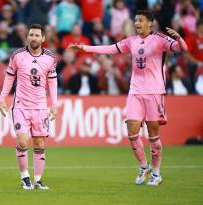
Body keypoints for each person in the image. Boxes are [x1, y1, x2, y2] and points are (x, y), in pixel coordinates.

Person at [68, 10, 188, 186]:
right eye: (135, 20)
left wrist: (179, 39)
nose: (137, 23)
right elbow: (110, 49)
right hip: (135, 91)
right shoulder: (131, 41)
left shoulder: (160, 39)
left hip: (154, 92)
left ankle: (156, 173)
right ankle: (143, 166)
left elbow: (181, 49)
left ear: (150, 23)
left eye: (140, 20)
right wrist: (85, 48)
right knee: (132, 132)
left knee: (153, 135)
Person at [0, 23, 58, 190]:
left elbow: (52, 82)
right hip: (21, 106)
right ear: (27, 37)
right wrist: (2, 99)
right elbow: (9, 77)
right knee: (23, 142)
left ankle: (38, 180)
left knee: (39, 144)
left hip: (40, 107)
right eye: (31, 35)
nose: (34, 38)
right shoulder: (17, 56)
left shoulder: (50, 58)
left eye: (37, 35)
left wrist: (54, 104)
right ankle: (25, 177)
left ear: (43, 38)